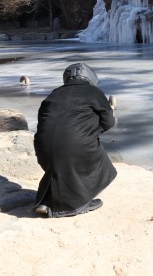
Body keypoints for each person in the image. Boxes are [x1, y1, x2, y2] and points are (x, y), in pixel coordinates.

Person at [33, 63, 117, 218]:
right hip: (75, 148)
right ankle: (79, 203)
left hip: (43, 150)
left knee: (60, 166)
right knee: (99, 162)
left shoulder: (53, 95)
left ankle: (47, 201)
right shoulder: (93, 92)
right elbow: (109, 122)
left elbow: (45, 125)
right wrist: (91, 131)